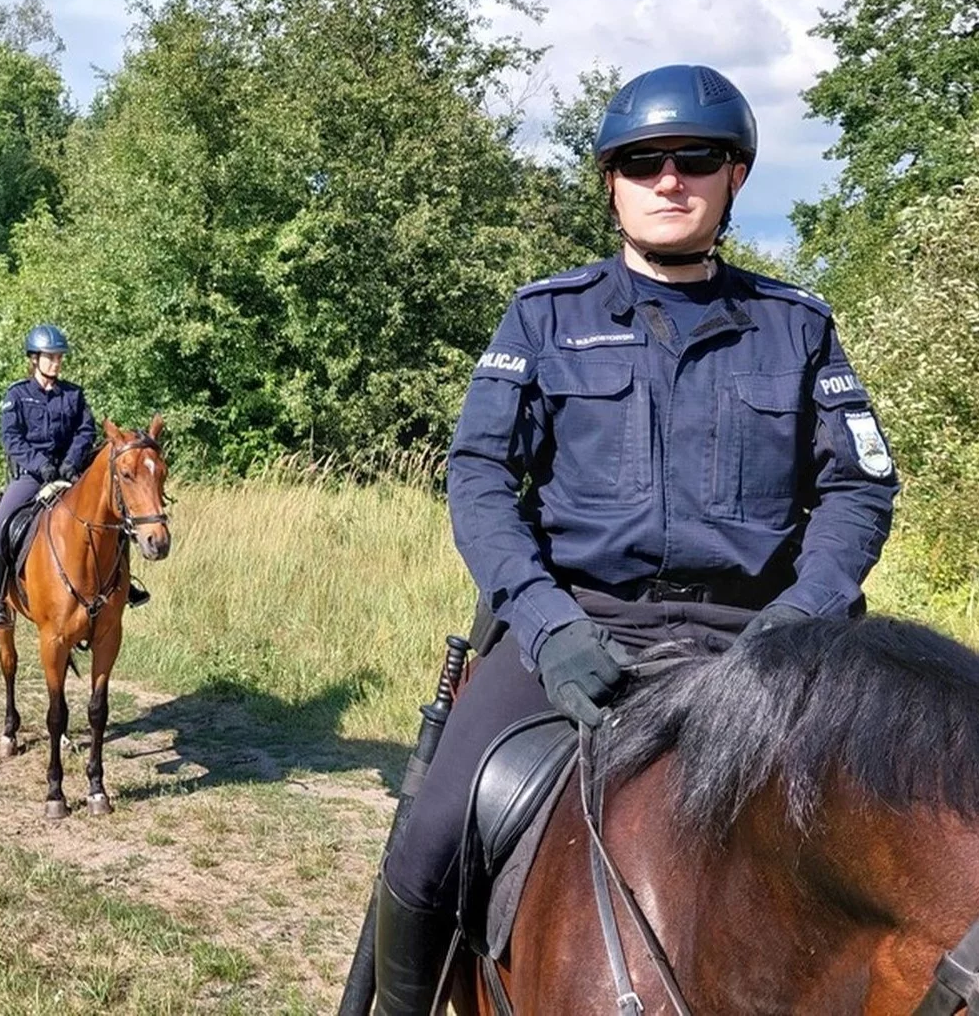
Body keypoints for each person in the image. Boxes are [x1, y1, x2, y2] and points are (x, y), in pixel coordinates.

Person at [370, 64, 900, 1014]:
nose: (669, 179)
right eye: (642, 160)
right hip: (578, 632)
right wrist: (541, 621)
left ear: (734, 175)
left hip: (762, 647)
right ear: (611, 181)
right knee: (427, 838)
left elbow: (858, 489)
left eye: (695, 157)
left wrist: (801, 624)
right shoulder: (546, 317)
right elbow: (481, 477)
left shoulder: (799, 328)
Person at [0, 324, 149, 627]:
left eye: (59, 357)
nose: (56, 362)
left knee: (117, 520)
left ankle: (125, 586)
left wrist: (71, 463)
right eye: (50, 357)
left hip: (72, 471)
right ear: (34, 358)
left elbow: (85, 430)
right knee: (1, 526)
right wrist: (41, 465)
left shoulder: (73, 395)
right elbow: (11, 438)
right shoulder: (18, 395)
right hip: (32, 476)